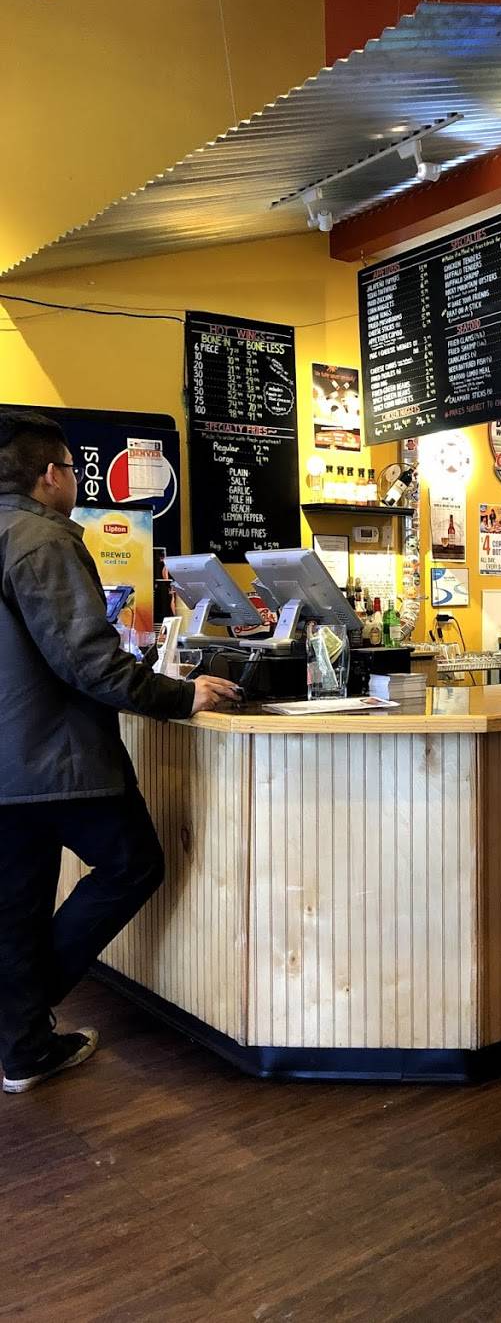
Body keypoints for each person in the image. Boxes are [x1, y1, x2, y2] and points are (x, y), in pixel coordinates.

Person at [0, 410, 241, 1093]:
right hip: (56, 758)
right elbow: (88, 661)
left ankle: (24, 1044)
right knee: (133, 862)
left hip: (12, 761)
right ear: (50, 475)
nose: (76, 482)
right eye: (71, 470)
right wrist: (181, 696)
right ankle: (22, 1011)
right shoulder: (41, 538)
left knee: (16, 904)